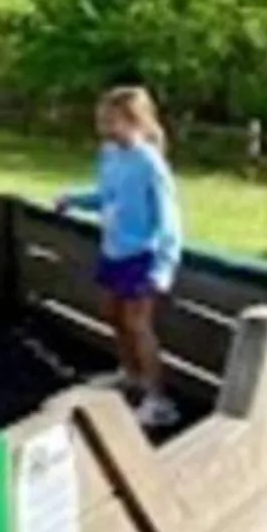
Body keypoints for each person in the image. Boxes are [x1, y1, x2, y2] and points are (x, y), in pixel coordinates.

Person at [56, 84, 186, 432]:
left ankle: (158, 399)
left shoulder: (150, 163)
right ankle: (131, 374)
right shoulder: (110, 155)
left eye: (113, 122)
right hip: (114, 249)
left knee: (137, 322)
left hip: (142, 254)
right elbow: (106, 195)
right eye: (103, 121)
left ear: (137, 122)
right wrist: (75, 200)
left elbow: (169, 218)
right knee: (113, 314)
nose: (106, 129)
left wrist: (163, 266)